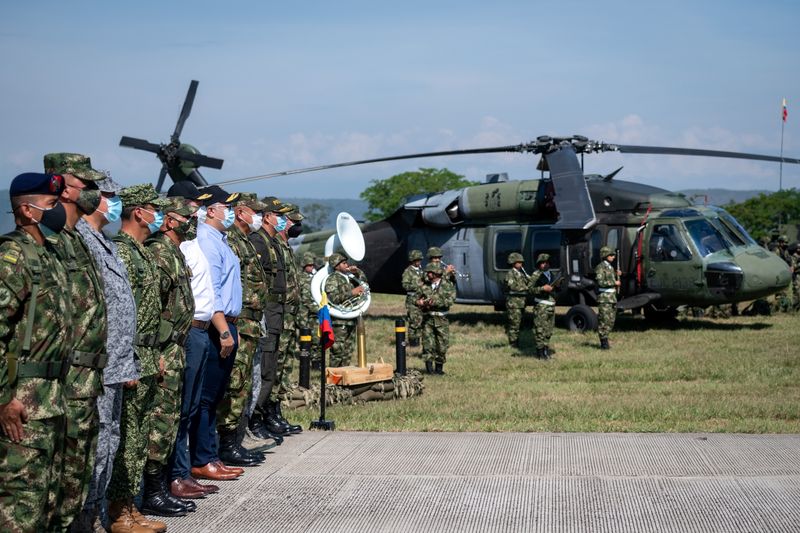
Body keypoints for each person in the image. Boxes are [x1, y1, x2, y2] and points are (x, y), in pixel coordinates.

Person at [0, 173, 72, 532]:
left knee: (49, 498)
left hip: (53, 395)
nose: (59, 210)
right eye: (51, 204)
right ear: (28, 211)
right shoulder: (12, 256)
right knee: (22, 503)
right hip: (24, 401)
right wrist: (4, 399)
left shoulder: (48, 252)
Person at [41, 153, 109, 531]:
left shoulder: (79, 239)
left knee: (78, 466)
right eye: (88, 185)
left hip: (87, 375)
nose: (95, 193)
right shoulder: (50, 241)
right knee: (55, 470)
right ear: (63, 186)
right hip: (60, 379)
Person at [75, 175, 141, 531]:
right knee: (97, 445)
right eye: (109, 196)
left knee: (110, 442)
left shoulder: (103, 241)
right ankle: (86, 519)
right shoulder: (83, 241)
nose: (115, 203)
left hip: (114, 364)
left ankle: (95, 517)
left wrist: (126, 359)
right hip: (96, 367)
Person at [107, 184, 173, 531]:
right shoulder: (123, 252)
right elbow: (120, 313)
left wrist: (155, 353)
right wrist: (126, 358)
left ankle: (131, 506)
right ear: (137, 211)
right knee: (128, 437)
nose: (157, 215)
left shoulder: (142, 251)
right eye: (153, 208)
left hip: (149, 352)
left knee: (140, 435)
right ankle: (118, 511)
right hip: (133, 355)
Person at [143, 196, 199, 516]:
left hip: (177, 346)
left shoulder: (175, 253)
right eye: (187, 217)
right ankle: (153, 491)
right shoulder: (159, 253)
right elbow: (152, 309)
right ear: (169, 221)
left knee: (171, 421)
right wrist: (158, 351)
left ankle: (162, 486)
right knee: (159, 424)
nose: (192, 223)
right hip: (164, 349)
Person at [189, 185, 246, 484]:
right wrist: (224, 331)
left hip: (226, 323)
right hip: (217, 326)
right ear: (211, 210)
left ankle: (210, 456)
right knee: (206, 398)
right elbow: (211, 291)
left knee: (214, 396)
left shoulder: (220, 240)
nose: (232, 212)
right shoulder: (207, 242)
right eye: (228, 207)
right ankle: (202, 459)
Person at [170, 185, 223, 500]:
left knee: (191, 407)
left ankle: (185, 470)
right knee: (183, 408)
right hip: (190, 330)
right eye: (193, 206)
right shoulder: (180, 246)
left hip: (201, 330)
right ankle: (177, 474)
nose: (197, 212)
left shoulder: (192, 243)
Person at [215, 193, 270, 465]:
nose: (258, 216)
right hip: (239, 321)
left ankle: (233, 440)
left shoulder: (244, 241)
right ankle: (226, 443)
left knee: (243, 382)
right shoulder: (232, 241)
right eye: (254, 211)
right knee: (234, 384)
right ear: (240, 212)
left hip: (249, 323)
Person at [248, 197, 293, 440]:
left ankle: (262, 414)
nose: (284, 221)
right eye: (280, 215)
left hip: (276, 314)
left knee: (270, 371)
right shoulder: (259, 242)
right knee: (264, 370)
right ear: (267, 217)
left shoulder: (273, 243)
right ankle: (254, 420)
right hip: (268, 313)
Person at [273, 205, 303, 433]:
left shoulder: (286, 247)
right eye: (292, 221)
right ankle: (269, 413)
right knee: (274, 368)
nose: (295, 226)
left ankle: (276, 411)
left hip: (289, 318)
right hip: (280, 318)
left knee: (283, 368)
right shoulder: (275, 247)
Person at [324, 253, 368, 368]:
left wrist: (358, 272)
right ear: (336, 265)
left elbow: (364, 285)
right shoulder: (332, 279)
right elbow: (333, 298)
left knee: (348, 352)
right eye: (343, 263)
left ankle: (344, 377)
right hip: (339, 320)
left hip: (351, 318)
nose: (347, 265)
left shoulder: (350, 277)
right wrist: (352, 293)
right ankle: (332, 380)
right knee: (338, 351)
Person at [416, 262, 456, 375]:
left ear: (436, 273)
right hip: (428, 319)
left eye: (430, 272)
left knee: (442, 345)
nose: (427, 274)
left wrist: (436, 302)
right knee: (427, 345)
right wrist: (420, 302)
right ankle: (429, 370)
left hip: (441, 319)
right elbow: (416, 299)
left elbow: (450, 300)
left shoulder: (447, 285)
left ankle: (439, 369)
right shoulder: (425, 286)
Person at [528, 253, 556, 359]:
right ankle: (540, 352)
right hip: (541, 305)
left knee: (549, 330)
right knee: (540, 330)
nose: (545, 265)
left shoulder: (551, 274)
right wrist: (542, 289)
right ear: (539, 264)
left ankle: (545, 349)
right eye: (542, 263)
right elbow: (530, 289)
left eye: (547, 263)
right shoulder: (536, 275)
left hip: (551, 305)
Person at [595, 246, 621, 350]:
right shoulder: (600, 267)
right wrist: (614, 282)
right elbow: (601, 282)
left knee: (611, 320)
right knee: (604, 320)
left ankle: (606, 339)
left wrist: (616, 274)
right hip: (604, 298)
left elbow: (608, 276)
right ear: (605, 256)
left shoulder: (610, 267)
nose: (613, 257)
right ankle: (603, 342)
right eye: (611, 255)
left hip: (612, 297)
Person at [298, 251, 321, 368]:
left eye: (313, 265)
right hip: (304, 314)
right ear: (304, 266)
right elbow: (306, 299)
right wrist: (318, 309)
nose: (312, 267)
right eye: (309, 266)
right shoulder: (301, 279)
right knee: (305, 337)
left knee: (316, 337)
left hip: (312, 313)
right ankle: (305, 359)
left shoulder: (314, 278)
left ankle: (316, 360)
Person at [503, 252, 529, 349]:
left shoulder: (521, 274)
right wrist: (526, 287)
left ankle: (517, 341)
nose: (521, 264)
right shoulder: (510, 274)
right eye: (519, 262)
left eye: (521, 262)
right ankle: (513, 343)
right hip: (514, 304)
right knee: (514, 324)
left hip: (521, 303)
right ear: (513, 263)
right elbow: (513, 286)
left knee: (519, 324)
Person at [401, 250, 424, 347]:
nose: (419, 261)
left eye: (419, 259)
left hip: (421, 299)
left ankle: (418, 341)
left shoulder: (421, 271)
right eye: (417, 260)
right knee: (414, 322)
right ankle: (413, 343)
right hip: (412, 300)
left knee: (420, 321)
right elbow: (405, 285)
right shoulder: (408, 272)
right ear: (412, 260)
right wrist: (418, 286)